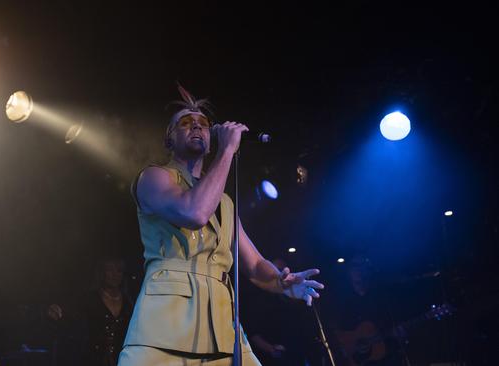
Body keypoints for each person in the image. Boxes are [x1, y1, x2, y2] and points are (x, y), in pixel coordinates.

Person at [117, 84, 325, 365]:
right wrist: (227, 151)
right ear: (169, 139)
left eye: (203, 123)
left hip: (222, 327)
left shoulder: (225, 202)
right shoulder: (154, 178)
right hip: (164, 325)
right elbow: (194, 212)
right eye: (186, 123)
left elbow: (253, 264)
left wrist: (282, 282)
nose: (196, 127)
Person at [47, 256, 134, 366]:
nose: (114, 274)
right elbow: (71, 315)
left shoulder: (129, 302)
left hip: (122, 359)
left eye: (119, 270)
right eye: (110, 270)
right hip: (93, 359)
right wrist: (57, 312)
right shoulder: (90, 298)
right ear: (102, 272)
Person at [331, 256, 404, 366]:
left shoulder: (382, 297)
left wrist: (398, 333)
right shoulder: (343, 302)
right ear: (349, 272)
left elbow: (392, 324)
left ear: (368, 270)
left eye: (361, 266)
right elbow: (338, 333)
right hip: (361, 361)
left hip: (387, 357)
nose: (358, 270)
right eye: (354, 266)